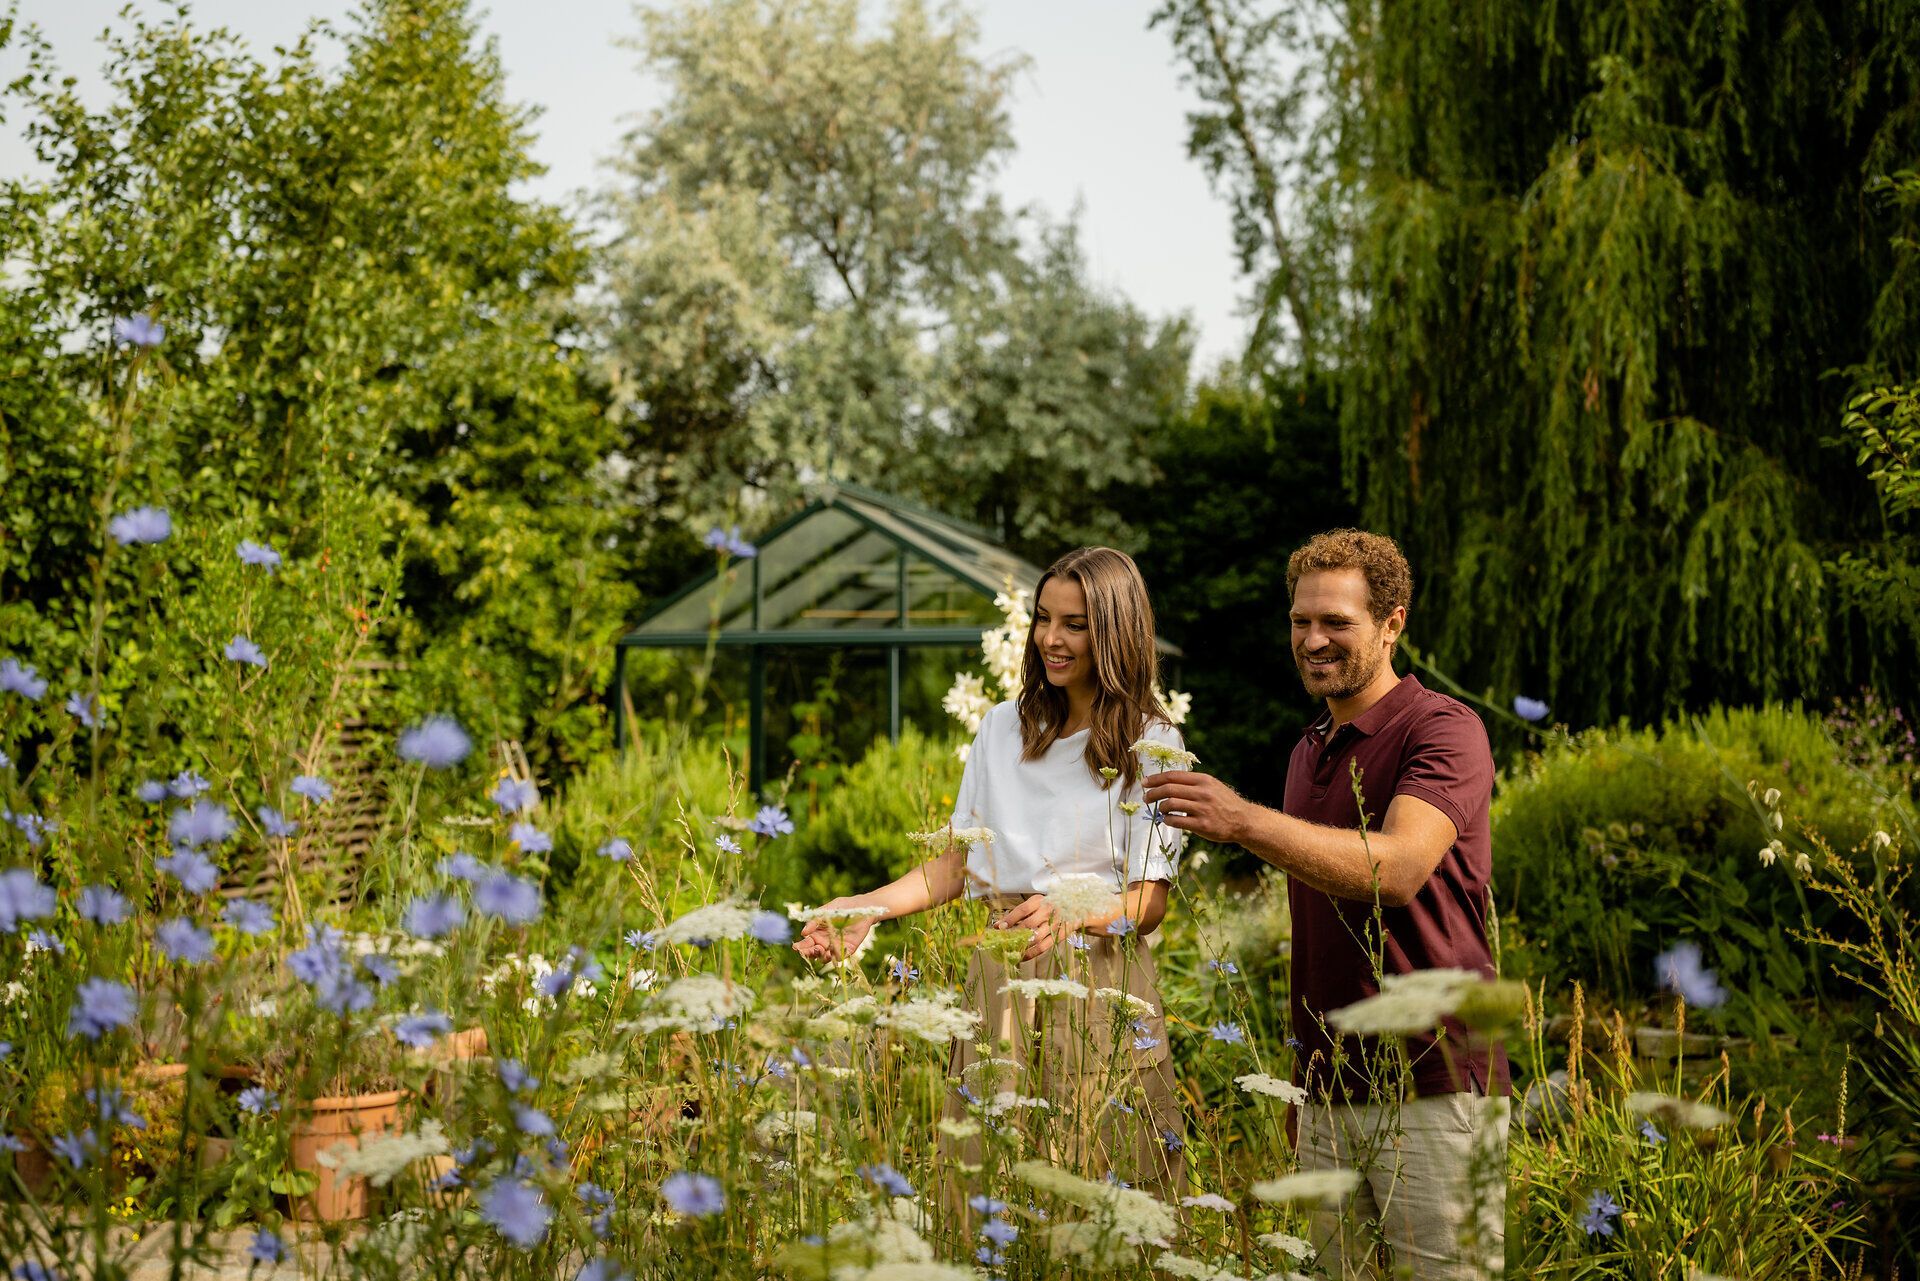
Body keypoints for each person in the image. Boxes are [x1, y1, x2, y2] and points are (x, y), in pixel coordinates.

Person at [1142, 529, 1508, 1280]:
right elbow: (1314, 931)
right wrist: (1301, 1075)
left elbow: (1399, 868)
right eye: (1301, 621)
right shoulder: (1308, 748)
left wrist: (1243, 820)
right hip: (1331, 1093)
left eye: (1336, 623)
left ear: (1392, 623)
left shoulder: (1443, 728)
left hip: (1433, 1082)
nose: (1313, 639)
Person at [795, 545, 1188, 1208]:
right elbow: (961, 863)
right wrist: (867, 907)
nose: (1051, 638)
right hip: (1000, 978)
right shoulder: (1004, 728)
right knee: (987, 1187)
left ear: (1115, 632)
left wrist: (1074, 910)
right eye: (1044, 619)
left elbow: (1150, 901)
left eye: (1075, 623)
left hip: (1101, 982)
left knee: (1102, 1189)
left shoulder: (1151, 742)